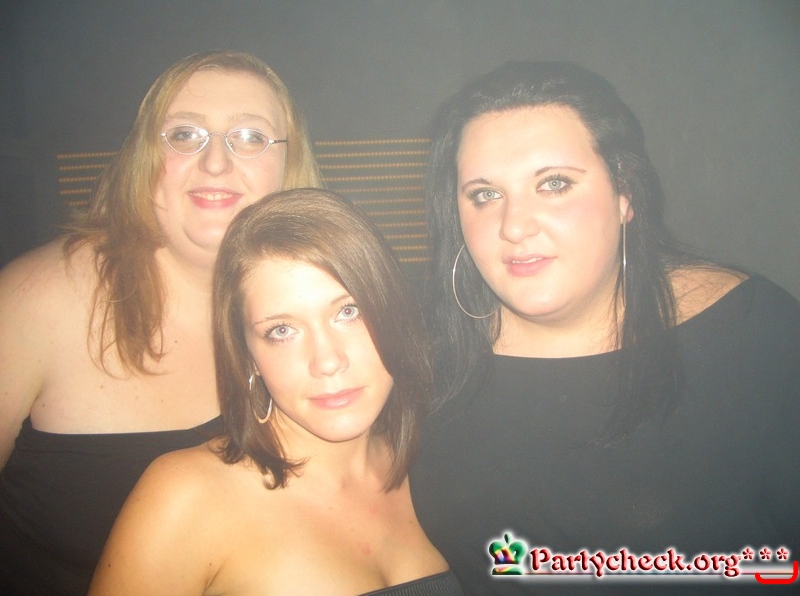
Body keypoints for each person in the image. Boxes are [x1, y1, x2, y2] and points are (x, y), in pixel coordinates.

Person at [410, 61, 800, 594]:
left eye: (554, 184)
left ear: (625, 193)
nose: (514, 226)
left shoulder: (752, 335)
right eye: (485, 194)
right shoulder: (419, 361)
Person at [0, 50, 321, 595]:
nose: (215, 162)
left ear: (289, 164)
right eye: (184, 134)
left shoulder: (330, 306)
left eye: (249, 137)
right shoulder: (35, 300)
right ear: (144, 156)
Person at [88, 188, 463, 596]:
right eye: (282, 330)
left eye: (348, 311)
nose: (327, 361)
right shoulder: (186, 496)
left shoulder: (438, 466)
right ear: (248, 356)